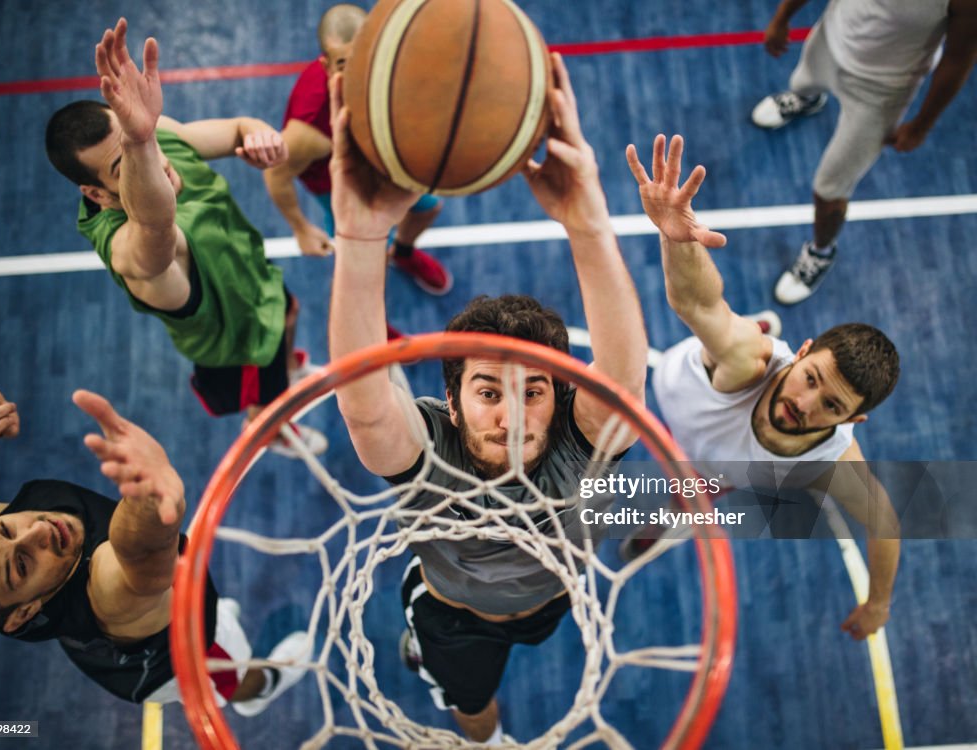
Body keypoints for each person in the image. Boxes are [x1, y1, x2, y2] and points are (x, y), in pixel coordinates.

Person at [328, 52, 648, 743]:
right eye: (486, 391)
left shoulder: (577, 440)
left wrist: (586, 221)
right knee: (470, 702)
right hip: (454, 617)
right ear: (449, 398)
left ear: (562, 395)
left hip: (551, 595)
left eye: (533, 391)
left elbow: (621, 381)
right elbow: (363, 399)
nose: (510, 413)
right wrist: (359, 235)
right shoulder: (430, 451)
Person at [625, 133, 901, 640]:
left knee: (686, 495)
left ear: (851, 421)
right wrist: (676, 239)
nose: (803, 403)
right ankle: (761, 329)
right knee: (733, 335)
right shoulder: (747, 363)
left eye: (831, 405)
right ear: (802, 353)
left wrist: (879, 604)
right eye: (810, 377)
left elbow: (885, 522)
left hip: (712, 463)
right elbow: (698, 303)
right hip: (672, 393)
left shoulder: (831, 462)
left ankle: (657, 526)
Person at [44, 18, 326, 456]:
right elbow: (155, 226)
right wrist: (137, 141)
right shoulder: (130, 251)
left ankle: (290, 370)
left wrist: (261, 138)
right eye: (129, 162)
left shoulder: (155, 137)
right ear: (96, 193)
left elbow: (236, 127)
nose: (152, 160)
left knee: (290, 312)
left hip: (254, 280)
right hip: (238, 345)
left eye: (145, 139)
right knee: (266, 398)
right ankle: (272, 429)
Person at [0, 387, 308, 714]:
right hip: (169, 661)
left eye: (3, 527)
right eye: (21, 564)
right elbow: (139, 560)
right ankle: (263, 687)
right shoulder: (106, 597)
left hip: (110, 646)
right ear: (23, 613)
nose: (36, 531)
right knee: (231, 674)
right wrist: (148, 502)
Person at [750, 0, 977, 304]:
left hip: (880, 92)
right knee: (802, 82)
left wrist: (922, 125)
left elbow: (958, 59)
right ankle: (807, 99)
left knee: (828, 192)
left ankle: (820, 252)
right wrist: (782, 18)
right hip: (830, 42)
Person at [264, 3, 452, 298]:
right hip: (338, 184)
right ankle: (377, 330)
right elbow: (276, 174)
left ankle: (403, 252)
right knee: (365, 267)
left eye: (361, 60)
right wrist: (300, 228)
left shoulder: (384, 70)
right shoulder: (311, 129)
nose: (356, 77)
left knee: (429, 208)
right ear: (326, 65)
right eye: (342, 65)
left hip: (379, 160)